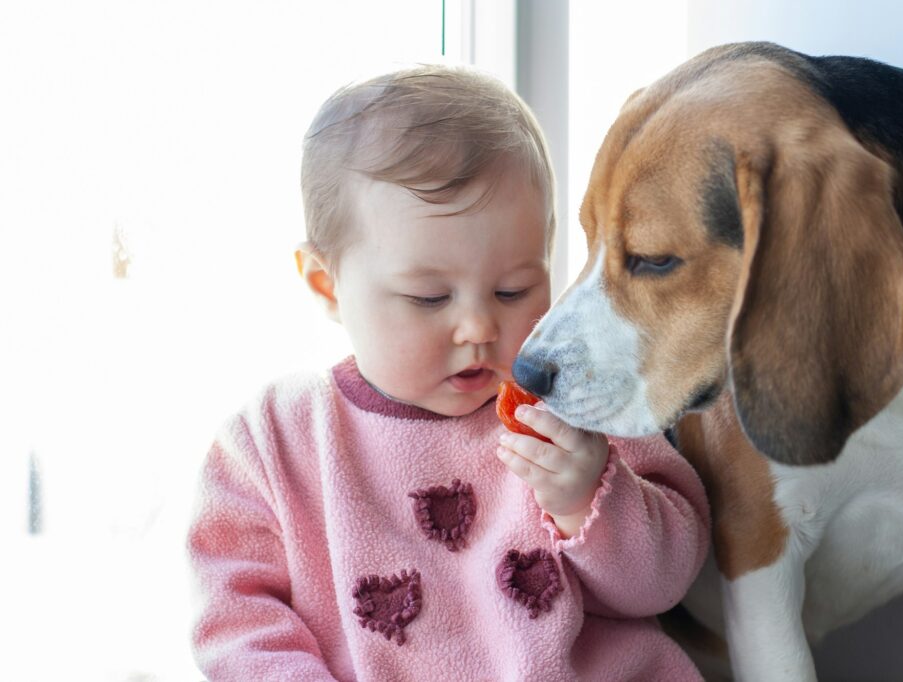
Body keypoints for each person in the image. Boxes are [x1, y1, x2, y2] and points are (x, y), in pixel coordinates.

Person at [187, 64, 710, 681]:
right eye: (431, 299)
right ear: (327, 285)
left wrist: (590, 498)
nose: (478, 328)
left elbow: (666, 584)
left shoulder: (575, 400)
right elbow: (238, 625)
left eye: (514, 290)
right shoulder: (273, 441)